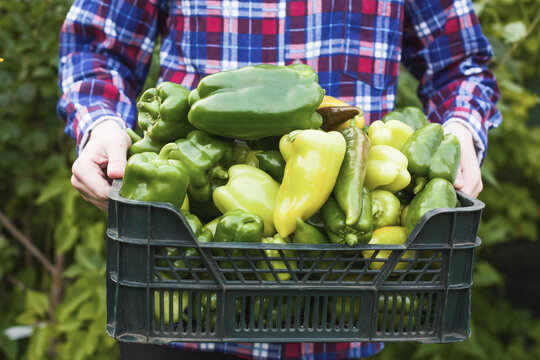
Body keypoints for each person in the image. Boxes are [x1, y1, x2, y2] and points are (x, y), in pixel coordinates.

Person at [58, 0, 501, 358]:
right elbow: (95, 45)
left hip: (344, 308)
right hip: (181, 303)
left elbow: (461, 64)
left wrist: (462, 131)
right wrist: (100, 124)